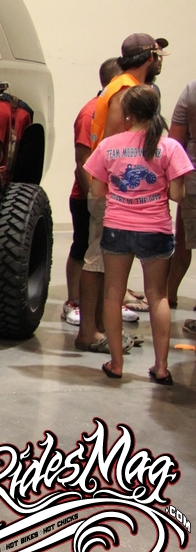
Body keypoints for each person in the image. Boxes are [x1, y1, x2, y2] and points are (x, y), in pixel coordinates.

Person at [84, 84, 192, 384]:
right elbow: (177, 195)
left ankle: (116, 363)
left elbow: (96, 189)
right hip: (155, 228)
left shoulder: (109, 145)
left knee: (113, 294)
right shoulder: (170, 147)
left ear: (127, 114)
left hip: (117, 227)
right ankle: (161, 367)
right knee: (158, 296)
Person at [75, 33, 167, 352]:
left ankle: (100, 329)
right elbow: (116, 145)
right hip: (112, 190)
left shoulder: (122, 85)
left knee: (103, 261)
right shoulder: (125, 89)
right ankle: (89, 332)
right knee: (97, 260)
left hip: (113, 188)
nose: (160, 62)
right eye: (158, 56)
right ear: (148, 57)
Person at [63, 58, 124, 326]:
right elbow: (82, 161)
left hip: (110, 198)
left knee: (105, 253)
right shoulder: (91, 113)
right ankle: (73, 301)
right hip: (86, 196)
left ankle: (104, 305)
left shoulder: (117, 113)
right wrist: (93, 199)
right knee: (82, 248)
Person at [166, 80, 196, 317]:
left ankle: (167, 295)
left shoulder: (192, 89)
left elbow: (175, 141)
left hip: (193, 180)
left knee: (184, 244)